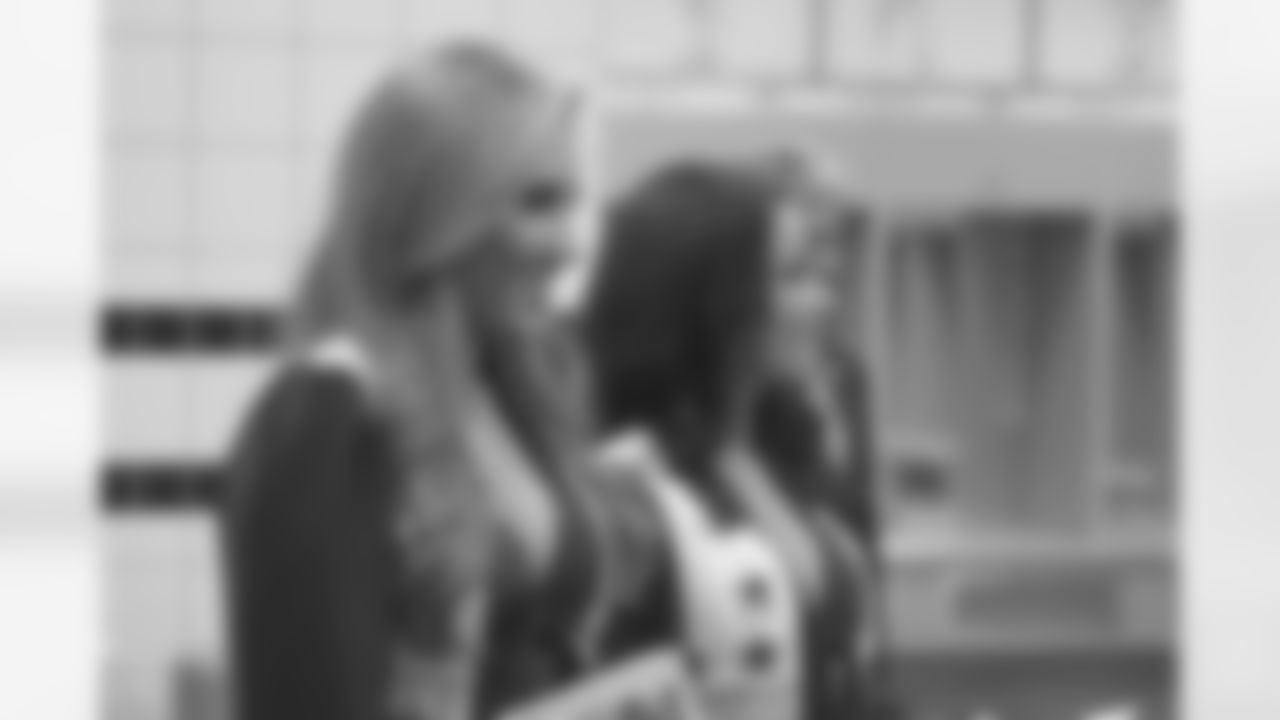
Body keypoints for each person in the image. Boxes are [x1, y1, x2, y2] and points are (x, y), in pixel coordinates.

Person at [219, 40, 647, 720]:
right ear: (435, 213)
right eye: (536, 202)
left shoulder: (511, 389)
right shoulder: (329, 411)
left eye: (573, 203)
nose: (571, 244)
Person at [581, 158, 896, 720]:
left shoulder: (780, 449)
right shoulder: (628, 486)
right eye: (793, 276)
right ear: (712, 302)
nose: (824, 300)